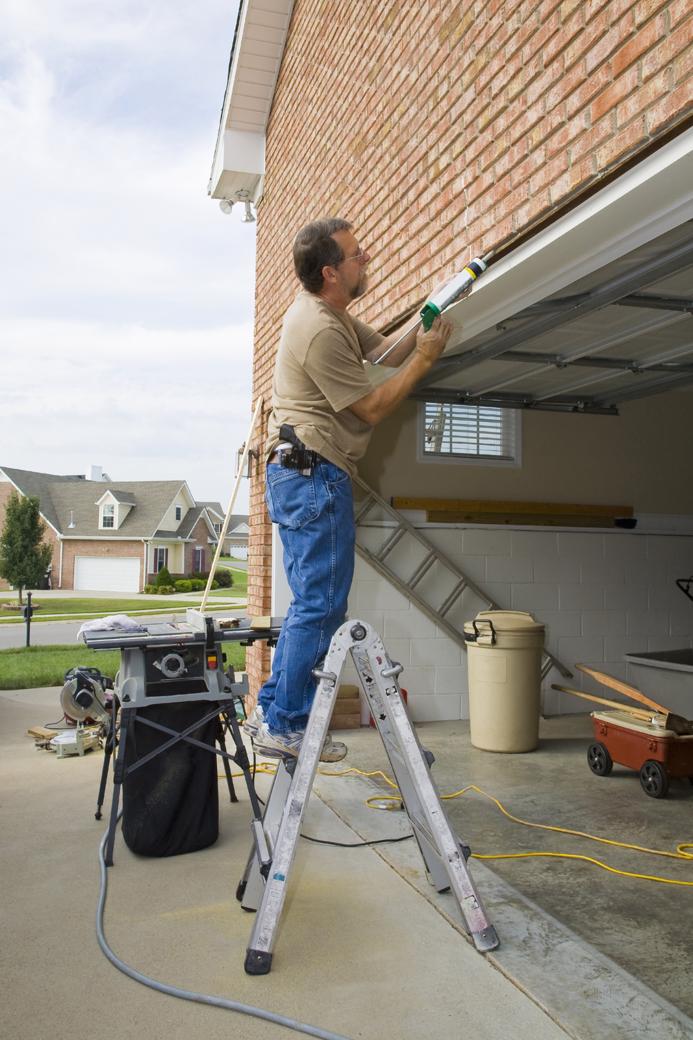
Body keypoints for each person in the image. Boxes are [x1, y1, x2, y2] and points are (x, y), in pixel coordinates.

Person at [246, 217, 452, 760]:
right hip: (311, 471)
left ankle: (275, 711)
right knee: (320, 605)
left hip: (303, 471)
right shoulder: (317, 329)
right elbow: (374, 404)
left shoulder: (332, 315)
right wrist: (427, 359)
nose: (368, 261)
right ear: (332, 272)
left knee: (310, 605)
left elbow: (385, 353)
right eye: (359, 255)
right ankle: (286, 723)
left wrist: (429, 314)